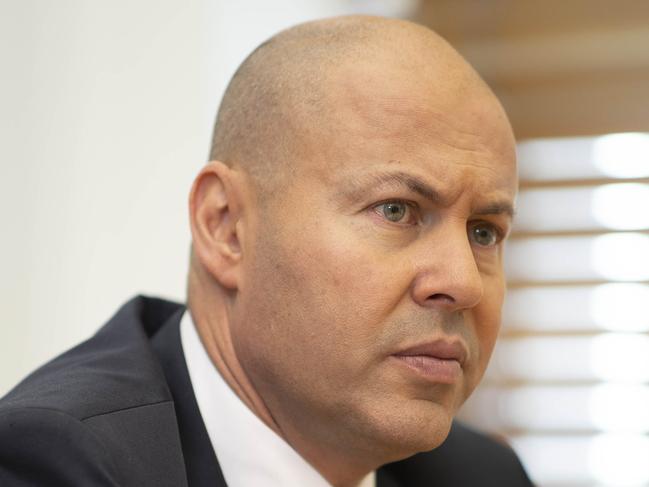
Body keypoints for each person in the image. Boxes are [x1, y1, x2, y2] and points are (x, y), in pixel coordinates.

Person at [0, 15, 532, 487]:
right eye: (396, 210)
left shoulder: (481, 474)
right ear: (225, 227)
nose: (462, 282)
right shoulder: (57, 462)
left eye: (484, 233)